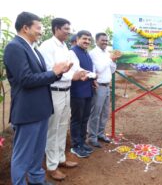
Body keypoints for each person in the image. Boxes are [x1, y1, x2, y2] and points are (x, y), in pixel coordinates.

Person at [4, 12, 71, 185]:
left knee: (37, 152)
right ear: (25, 28)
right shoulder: (15, 47)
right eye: (38, 28)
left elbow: (42, 76)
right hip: (27, 112)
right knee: (22, 155)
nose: (41, 32)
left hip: (41, 110)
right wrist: (53, 72)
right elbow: (25, 79)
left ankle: (37, 180)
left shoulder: (32, 48)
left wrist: (58, 73)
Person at [39, 18, 88, 180]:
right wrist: (72, 75)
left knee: (62, 126)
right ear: (56, 28)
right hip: (54, 91)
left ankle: (60, 159)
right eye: (66, 29)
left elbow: (72, 65)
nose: (69, 32)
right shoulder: (47, 46)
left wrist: (81, 73)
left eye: (69, 29)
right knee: (53, 129)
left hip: (66, 91)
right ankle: (51, 166)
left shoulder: (64, 46)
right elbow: (49, 70)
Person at [87, 32, 119, 147]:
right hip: (98, 86)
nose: (105, 42)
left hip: (106, 86)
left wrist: (113, 62)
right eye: (103, 40)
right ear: (96, 41)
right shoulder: (93, 53)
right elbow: (99, 69)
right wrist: (110, 59)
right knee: (96, 113)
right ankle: (92, 137)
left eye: (106, 40)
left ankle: (100, 133)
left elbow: (112, 70)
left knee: (105, 113)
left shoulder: (106, 53)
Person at [70, 30, 95, 158]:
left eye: (89, 39)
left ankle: (82, 142)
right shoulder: (72, 52)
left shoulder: (86, 53)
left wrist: (91, 75)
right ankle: (75, 145)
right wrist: (93, 75)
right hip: (77, 91)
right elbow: (79, 71)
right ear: (78, 39)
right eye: (84, 39)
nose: (87, 41)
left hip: (87, 90)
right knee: (76, 119)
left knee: (85, 118)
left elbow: (90, 70)